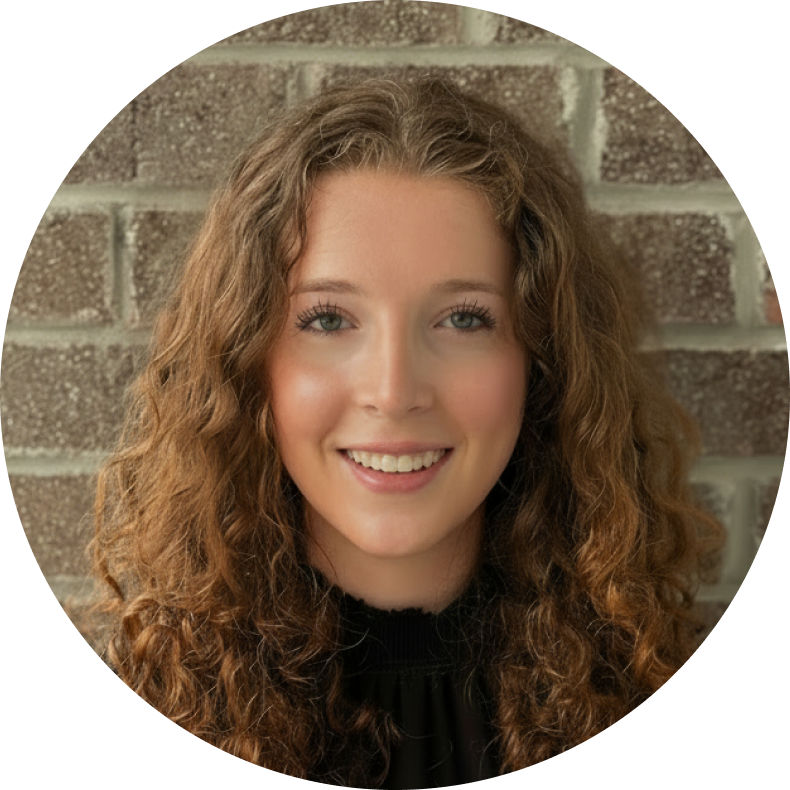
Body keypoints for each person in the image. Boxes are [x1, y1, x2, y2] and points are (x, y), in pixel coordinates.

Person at [90, 76, 725, 787]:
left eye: (463, 319)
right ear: (245, 363)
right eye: (328, 319)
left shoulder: (646, 676)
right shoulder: (159, 692)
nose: (393, 393)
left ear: (544, 364)